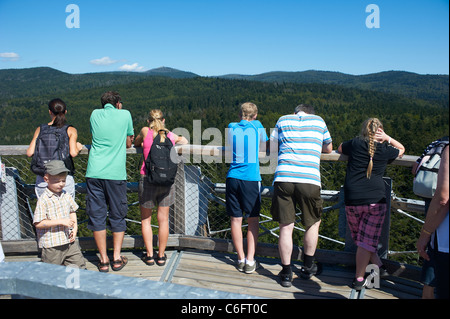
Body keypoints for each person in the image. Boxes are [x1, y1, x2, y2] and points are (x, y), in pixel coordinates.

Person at [338, 118, 405, 290]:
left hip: (352, 197)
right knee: (365, 242)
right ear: (380, 132)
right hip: (375, 199)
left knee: (362, 240)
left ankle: (379, 268)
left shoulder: (355, 143)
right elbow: (402, 149)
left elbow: (339, 148)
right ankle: (359, 279)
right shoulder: (385, 149)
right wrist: (388, 138)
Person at [270, 104, 332, 287]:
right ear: (310, 113)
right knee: (312, 223)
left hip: (284, 177)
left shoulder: (282, 119)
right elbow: (328, 148)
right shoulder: (319, 121)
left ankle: (286, 272)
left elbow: (273, 147)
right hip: (309, 180)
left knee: (285, 227)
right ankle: (307, 267)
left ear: (295, 112)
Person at [85, 91, 134, 272]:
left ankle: (103, 260)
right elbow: (129, 143)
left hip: (94, 171)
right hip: (115, 174)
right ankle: (116, 258)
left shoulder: (94, 114)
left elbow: (95, 136)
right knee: (117, 215)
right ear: (118, 104)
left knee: (97, 216)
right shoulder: (125, 114)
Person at [134, 109, 187, 266]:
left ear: (148, 121)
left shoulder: (145, 131)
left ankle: (149, 255)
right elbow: (184, 141)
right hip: (166, 181)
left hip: (147, 178)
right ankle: (161, 256)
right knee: (163, 220)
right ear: (163, 120)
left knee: (146, 219)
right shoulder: (169, 135)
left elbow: (136, 143)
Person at [226, 102, 268, 273]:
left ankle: (240, 258)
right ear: (255, 115)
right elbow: (264, 146)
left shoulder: (231, 127)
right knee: (253, 220)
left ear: (240, 114)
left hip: (232, 177)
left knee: (236, 220)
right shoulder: (257, 126)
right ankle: (250, 261)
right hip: (251, 178)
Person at [412, 136, 448, 299]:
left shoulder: (439, 143)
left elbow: (442, 198)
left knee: (433, 261)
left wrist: (424, 235)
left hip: (443, 231)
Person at [33, 160, 86, 269]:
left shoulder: (66, 195)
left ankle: (78, 284)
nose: (61, 184)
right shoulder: (44, 200)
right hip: (52, 245)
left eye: (63, 180)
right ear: (46, 179)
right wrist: (61, 221)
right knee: (52, 271)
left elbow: (72, 212)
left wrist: (74, 228)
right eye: (57, 181)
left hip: (68, 241)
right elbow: (38, 223)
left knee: (79, 265)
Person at [27, 98, 83, 198]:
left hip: (44, 177)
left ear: (50, 112)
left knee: (46, 211)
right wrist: (78, 147)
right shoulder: (70, 129)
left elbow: (30, 152)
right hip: (63, 178)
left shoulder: (41, 129)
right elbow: (73, 153)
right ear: (65, 112)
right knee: (66, 210)